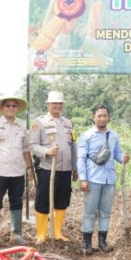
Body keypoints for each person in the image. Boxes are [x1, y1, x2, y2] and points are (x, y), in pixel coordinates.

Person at [77, 105, 130, 255]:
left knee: (105, 212)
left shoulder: (113, 135)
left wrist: (123, 158)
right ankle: (87, 244)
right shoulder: (86, 136)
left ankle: (102, 242)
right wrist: (83, 179)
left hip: (109, 179)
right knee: (89, 212)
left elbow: (117, 154)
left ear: (108, 117)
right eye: (99, 116)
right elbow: (81, 159)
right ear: (94, 117)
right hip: (93, 179)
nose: (102, 118)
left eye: (104, 115)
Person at [0, 96, 35, 247]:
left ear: (17, 108)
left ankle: (17, 233)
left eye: (14, 106)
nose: (11, 108)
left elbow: (26, 149)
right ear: (2, 108)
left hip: (18, 171)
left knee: (16, 201)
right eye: (8, 106)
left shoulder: (21, 125)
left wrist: (29, 167)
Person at [29, 91, 76, 244]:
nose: (57, 106)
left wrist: (75, 167)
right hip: (47, 168)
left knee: (62, 200)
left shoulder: (68, 123)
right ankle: (41, 234)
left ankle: (57, 232)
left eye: (60, 103)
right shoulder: (39, 122)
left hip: (65, 169)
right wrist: (47, 152)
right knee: (43, 200)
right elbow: (33, 145)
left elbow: (73, 146)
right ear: (48, 104)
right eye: (54, 103)